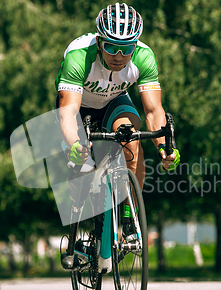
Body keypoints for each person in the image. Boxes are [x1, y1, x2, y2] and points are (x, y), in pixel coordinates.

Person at [56, 2, 180, 270]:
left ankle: (128, 216)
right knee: (82, 164)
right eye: (111, 46)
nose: (119, 55)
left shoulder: (144, 57)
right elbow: (67, 114)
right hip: (79, 108)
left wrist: (163, 147)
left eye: (127, 48)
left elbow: (153, 110)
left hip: (115, 102)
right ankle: (77, 221)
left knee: (132, 140)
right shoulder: (79, 56)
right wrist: (76, 145)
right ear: (100, 41)